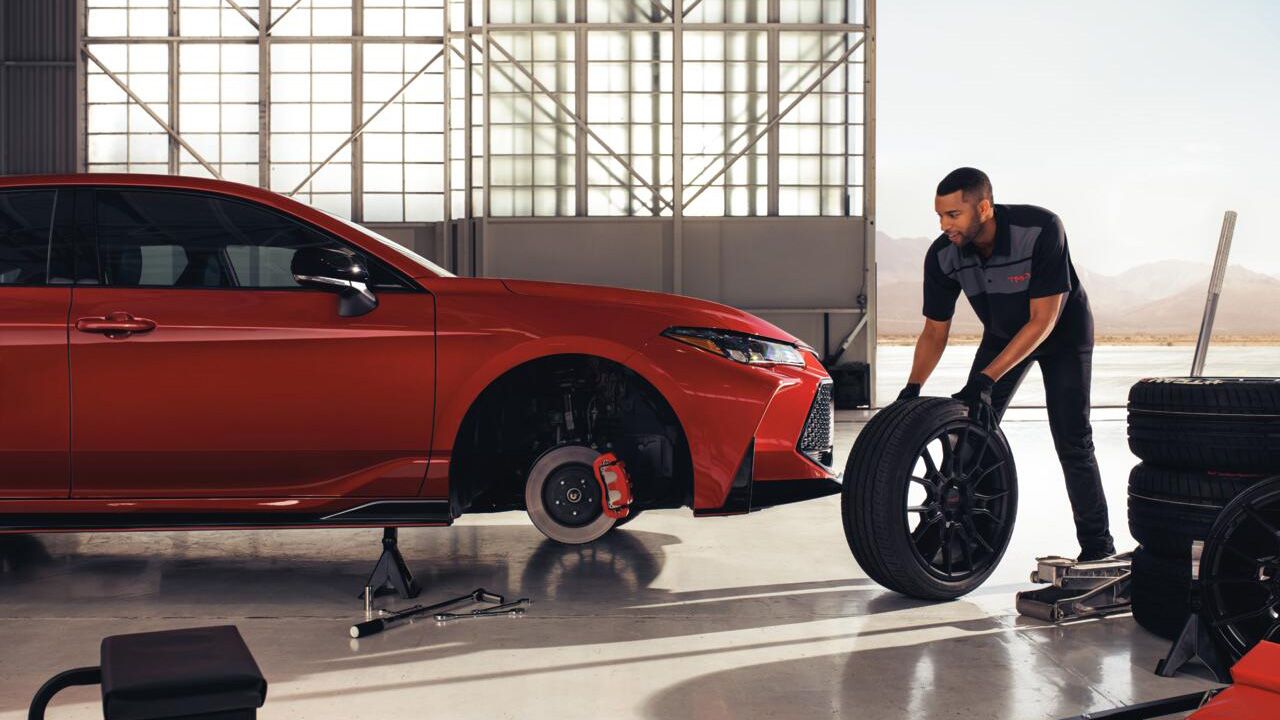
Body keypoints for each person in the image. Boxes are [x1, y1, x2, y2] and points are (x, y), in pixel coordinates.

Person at [898, 167, 1115, 561]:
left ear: (984, 207)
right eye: (940, 216)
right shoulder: (944, 255)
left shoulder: (1040, 228)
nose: (945, 225)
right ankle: (955, 537)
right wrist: (911, 387)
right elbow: (934, 331)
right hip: (1002, 334)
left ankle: (1098, 547)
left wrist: (986, 378)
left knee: (1073, 441)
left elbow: (1043, 321)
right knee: (969, 435)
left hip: (1062, 335)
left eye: (953, 215)